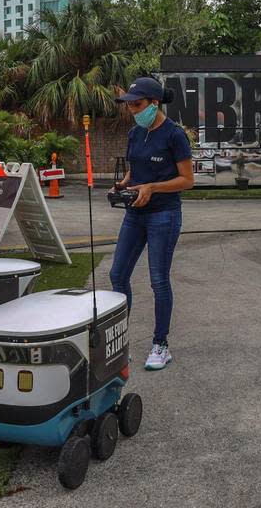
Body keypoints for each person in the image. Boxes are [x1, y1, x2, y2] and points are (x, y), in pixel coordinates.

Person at [109, 76, 194, 371]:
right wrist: (123, 184)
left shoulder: (174, 135)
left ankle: (161, 344)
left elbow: (187, 180)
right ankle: (118, 342)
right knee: (117, 275)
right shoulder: (135, 133)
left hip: (164, 215)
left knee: (158, 280)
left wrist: (153, 188)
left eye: (138, 104)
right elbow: (136, 170)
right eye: (130, 105)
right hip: (135, 213)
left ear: (154, 103)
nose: (133, 109)